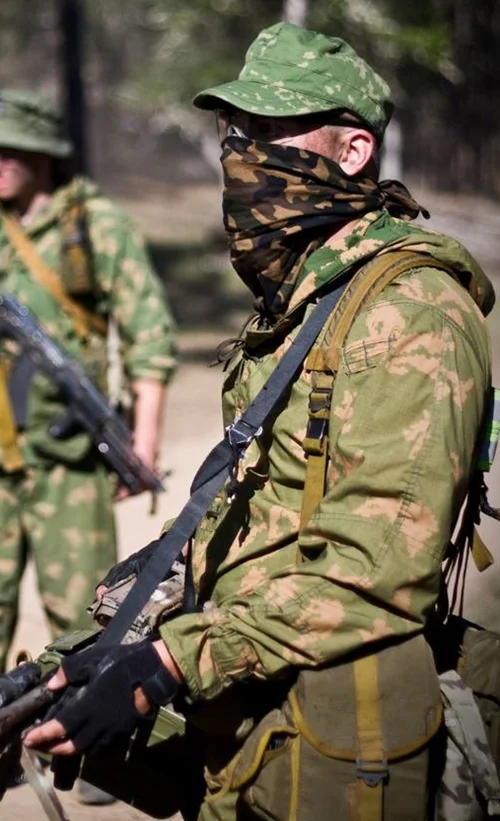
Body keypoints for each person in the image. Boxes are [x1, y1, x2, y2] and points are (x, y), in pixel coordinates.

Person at [24, 23, 495, 821]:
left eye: (273, 131)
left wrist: (169, 665)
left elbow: (375, 570)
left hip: (337, 740)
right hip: (251, 712)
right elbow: (251, 518)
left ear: (353, 151)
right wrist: (75, 661)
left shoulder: (409, 311)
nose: (244, 155)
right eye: (237, 133)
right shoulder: (305, 302)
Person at [0, 94, 175, 690]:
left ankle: (73, 727)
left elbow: (149, 335)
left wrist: (142, 442)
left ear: (44, 155)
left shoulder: (94, 224)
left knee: (81, 622)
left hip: (67, 467)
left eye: (12, 151)